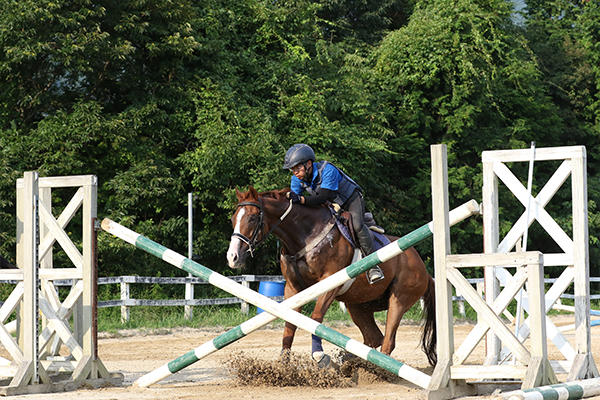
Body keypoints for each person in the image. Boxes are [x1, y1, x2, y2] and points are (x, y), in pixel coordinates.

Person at [282, 143, 384, 284]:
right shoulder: (297, 178)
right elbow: (296, 200)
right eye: (292, 169)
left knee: (357, 226)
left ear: (309, 164)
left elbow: (323, 196)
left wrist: (301, 199)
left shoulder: (328, 170)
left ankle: (373, 266)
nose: (295, 172)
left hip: (351, 199)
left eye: (297, 168)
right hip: (332, 203)